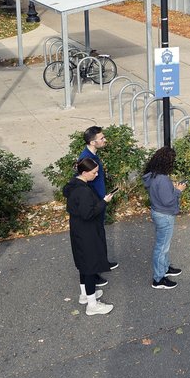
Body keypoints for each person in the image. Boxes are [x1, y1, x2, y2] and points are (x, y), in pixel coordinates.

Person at [64, 158, 114, 315]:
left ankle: (85, 295)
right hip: (88, 233)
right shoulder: (84, 191)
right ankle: (92, 305)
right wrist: (104, 202)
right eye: (94, 172)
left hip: (78, 231)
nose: (97, 174)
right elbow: (88, 213)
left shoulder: (72, 186)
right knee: (91, 267)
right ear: (84, 172)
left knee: (83, 264)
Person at [76, 126, 117, 282]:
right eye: (101, 138)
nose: (104, 140)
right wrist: (98, 202)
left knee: (99, 235)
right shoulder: (86, 159)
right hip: (95, 205)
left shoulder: (93, 155)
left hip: (100, 202)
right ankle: (93, 275)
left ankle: (102, 263)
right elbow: (83, 184)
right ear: (93, 142)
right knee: (93, 239)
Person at [143, 147, 186, 288]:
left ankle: (165, 268)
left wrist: (170, 187)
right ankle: (158, 278)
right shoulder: (162, 179)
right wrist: (178, 190)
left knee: (163, 245)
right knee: (162, 248)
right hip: (165, 215)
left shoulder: (152, 174)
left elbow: (162, 194)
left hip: (157, 212)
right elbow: (168, 201)